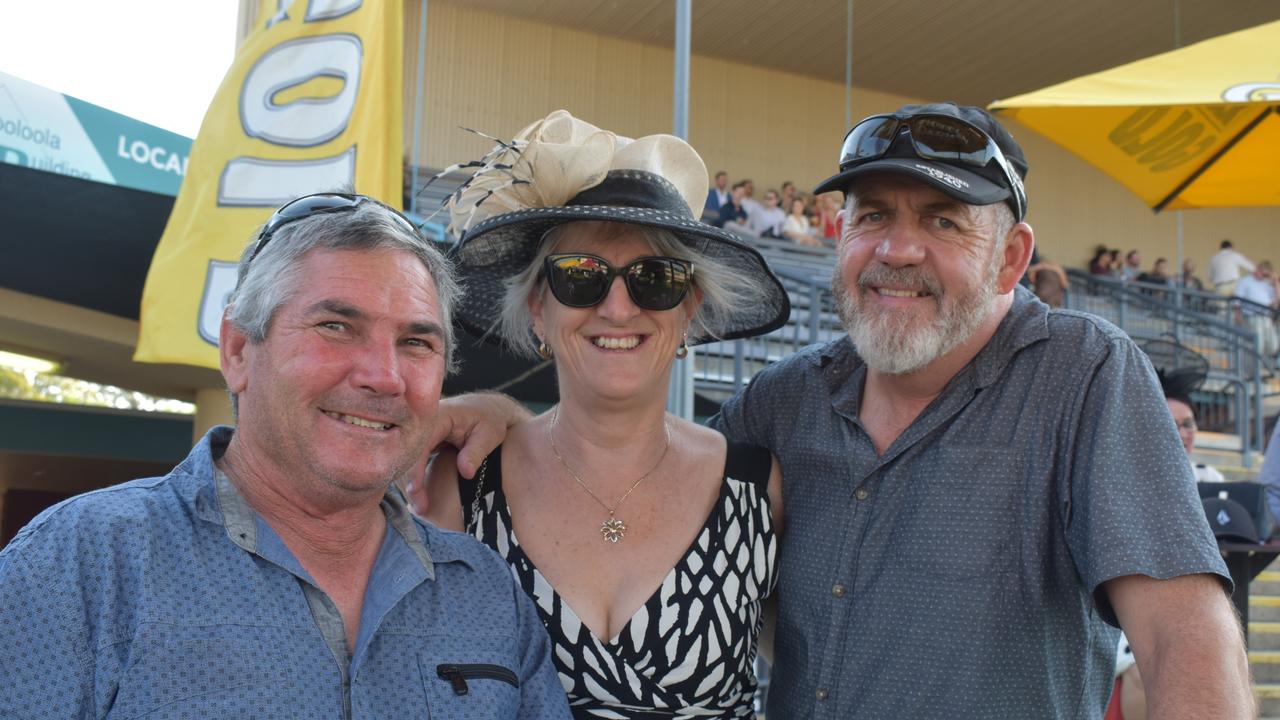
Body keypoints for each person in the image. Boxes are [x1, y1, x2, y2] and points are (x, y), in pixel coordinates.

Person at [433, 103, 1253, 719]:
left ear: (1012, 258)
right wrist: (500, 414)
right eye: (872, 217)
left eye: (943, 222)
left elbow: (1186, 637)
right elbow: (636, 470)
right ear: (840, 237)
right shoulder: (786, 403)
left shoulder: (1083, 376)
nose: (898, 250)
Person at [0, 193, 570, 718]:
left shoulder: (485, 593)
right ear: (240, 350)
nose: (385, 377)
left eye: (416, 342)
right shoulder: (81, 563)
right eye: (336, 327)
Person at [413, 110, 790, 718]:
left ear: (688, 309)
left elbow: (822, 666)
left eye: (655, 278)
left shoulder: (757, 488)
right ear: (539, 308)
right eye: (581, 276)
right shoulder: (461, 485)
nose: (618, 307)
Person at [1232, 260, 1279, 359]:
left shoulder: (1267, 285)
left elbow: (1277, 299)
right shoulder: (1245, 281)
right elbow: (1237, 299)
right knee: (1258, 345)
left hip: (1266, 317)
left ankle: (1259, 364)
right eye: (1262, 272)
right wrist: (1237, 313)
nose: (1263, 276)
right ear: (1257, 269)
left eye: (1266, 274)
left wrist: (1276, 281)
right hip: (1252, 316)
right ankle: (1254, 371)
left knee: (1273, 346)